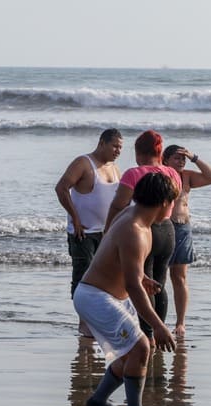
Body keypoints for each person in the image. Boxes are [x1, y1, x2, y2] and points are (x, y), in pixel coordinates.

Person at [74, 172, 178, 406]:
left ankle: (99, 400)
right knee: (141, 346)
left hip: (107, 295)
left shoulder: (135, 218)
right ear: (164, 202)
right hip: (96, 296)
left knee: (135, 351)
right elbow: (132, 286)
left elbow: (122, 263)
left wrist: (142, 277)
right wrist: (159, 326)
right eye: (172, 202)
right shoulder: (135, 230)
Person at [106, 130, 182, 345]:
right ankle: (160, 329)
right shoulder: (172, 173)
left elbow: (118, 205)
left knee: (143, 282)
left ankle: (147, 334)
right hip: (168, 230)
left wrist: (108, 232)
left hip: (145, 230)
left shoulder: (134, 173)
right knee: (159, 283)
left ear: (139, 151)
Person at [54, 128, 123, 337]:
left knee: (105, 278)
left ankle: (98, 318)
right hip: (83, 232)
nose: (118, 151)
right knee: (82, 276)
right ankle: (83, 322)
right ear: (102, 142)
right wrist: (75, 218)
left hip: (107, 233)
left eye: (121, 147)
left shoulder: (115, 168)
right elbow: (61, 188)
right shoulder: (83, 163)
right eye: (115, 146)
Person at [161, 144, 211, 339]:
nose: (181, 161)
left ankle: (180, 323)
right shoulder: (160, 175)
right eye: (177, 158)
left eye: (183, 159)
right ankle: (157, 320)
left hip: (183, 228)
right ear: (165, 160)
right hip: (164, 227)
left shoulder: (187, 176)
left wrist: (194, 157)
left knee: (179, 278)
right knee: (158, 276)